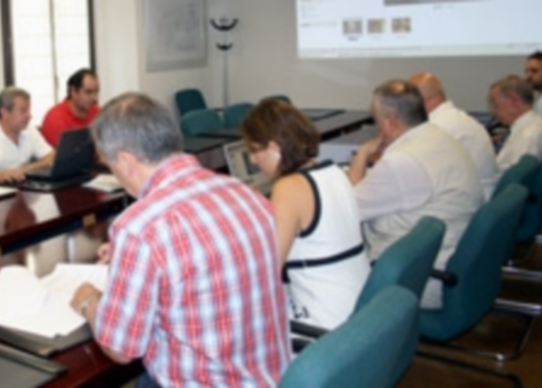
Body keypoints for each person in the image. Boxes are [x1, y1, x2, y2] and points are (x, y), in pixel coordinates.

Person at [69, 93, 291, 387]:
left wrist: (88, 302)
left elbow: (121, 350)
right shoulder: (246, 194)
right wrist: (135, 257)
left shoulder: (139, 228)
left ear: (125, 159)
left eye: (110, 164)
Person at [348, 80, 482, 309]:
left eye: (376, 120)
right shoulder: (439, 138)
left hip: (415, 278)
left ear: (390, 122)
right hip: (446, 263)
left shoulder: (401, 162)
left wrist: (360, 155)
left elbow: (348, 210)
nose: (376, 128)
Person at [240, 100, 370, 330]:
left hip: (325, 322)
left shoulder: (289, 187)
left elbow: (268, 267)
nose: (252, 160)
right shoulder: (334, 171)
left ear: (274, 147)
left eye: (253, 150)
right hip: (359, 307)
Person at [409, 72, 499, 198]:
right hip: (479, 195)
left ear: (424, 100)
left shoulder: (437, 127)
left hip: (468, 201)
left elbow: (415, 176)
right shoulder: (456, 118)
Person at [490, 75, 542, 173]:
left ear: (514, 101)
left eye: (495, 104)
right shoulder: (528, 127)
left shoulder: (529, 135)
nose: (493, 111)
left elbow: (517, 178)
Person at [40, 68, 100, 147]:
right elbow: (62, 155)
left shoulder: (97, 112)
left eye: (96, 92)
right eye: (88, 92)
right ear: (73, 91)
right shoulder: (55, 118)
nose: (94, 98)